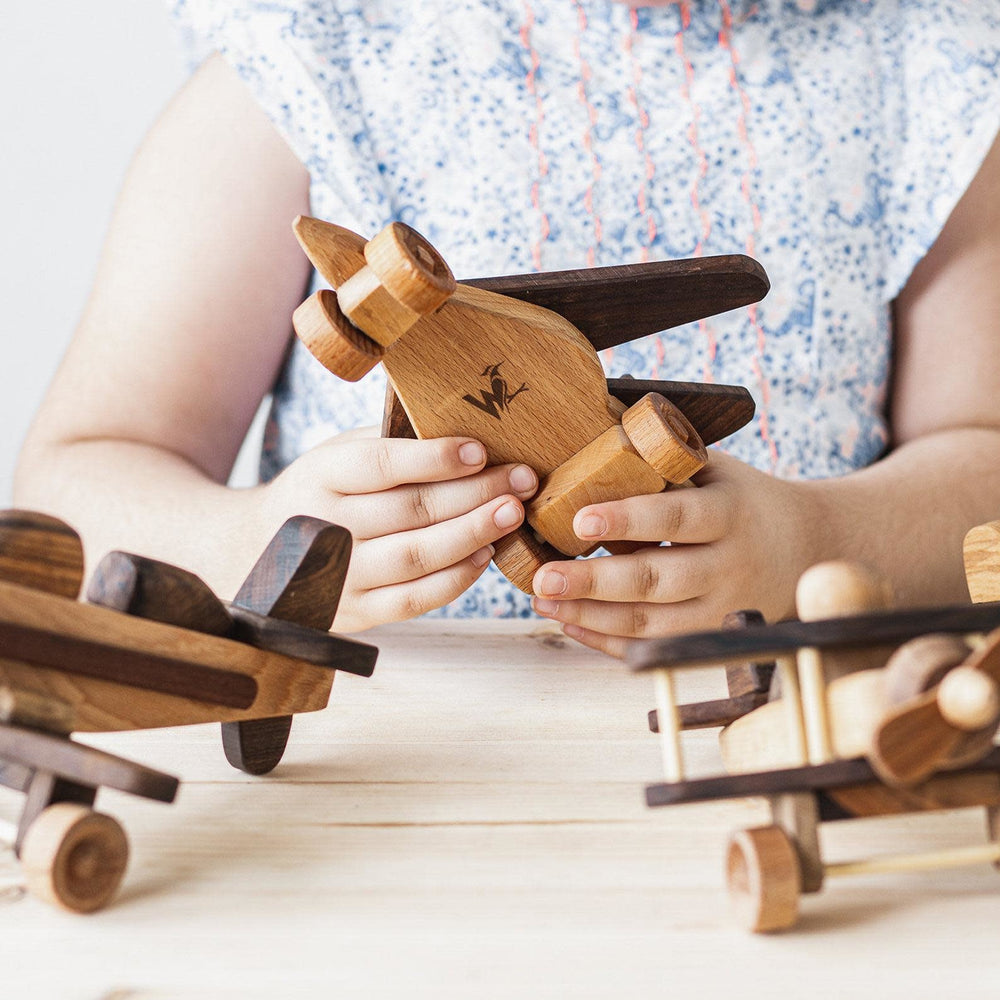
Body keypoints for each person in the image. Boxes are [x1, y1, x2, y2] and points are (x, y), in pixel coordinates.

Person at [14, 0, 1000, 657]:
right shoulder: (303, 67)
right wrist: (259, 550)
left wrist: (812, 542)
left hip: (764, 755)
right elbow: (71, 495)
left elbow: (984, 466)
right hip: (359, 802)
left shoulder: (935, 86)